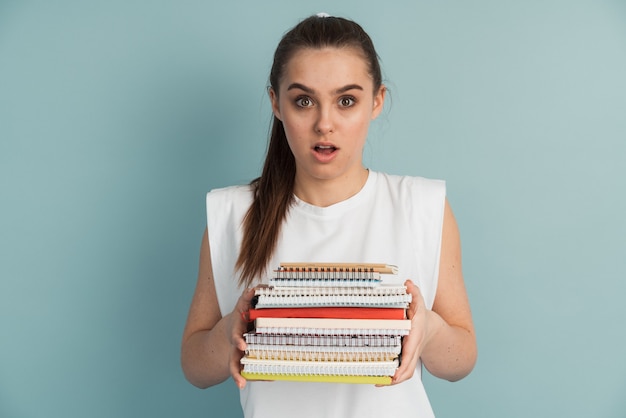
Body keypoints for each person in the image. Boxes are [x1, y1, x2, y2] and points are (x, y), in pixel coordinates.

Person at [181, 14, 477, 418]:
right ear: (276, 104)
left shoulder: (422, 205)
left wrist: (426, 329)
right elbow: (195, 367)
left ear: (376, 102)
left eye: (346, 101)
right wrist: (229, 332)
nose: (325, 123)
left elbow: (462, 360)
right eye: (303, 100)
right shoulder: (233, 213)